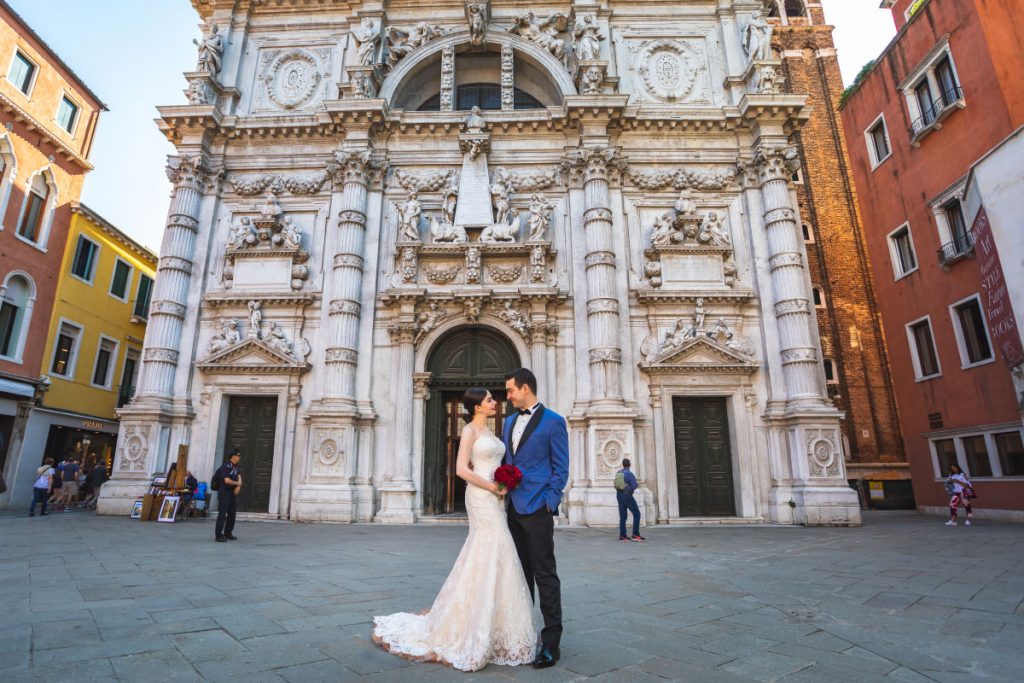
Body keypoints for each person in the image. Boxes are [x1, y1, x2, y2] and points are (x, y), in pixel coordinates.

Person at [372, 388, 536, 671]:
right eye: (488, 400)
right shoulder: (471, 430)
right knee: (492, 543)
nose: (494, 402)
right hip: (483, 495)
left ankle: (499, 625)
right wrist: (492, 487)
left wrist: (505, 484)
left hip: (496, 496)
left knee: (494, 549)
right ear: (476, 407)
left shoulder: (492, 432)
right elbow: (461, 469)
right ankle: (477, 625)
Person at [503, 367, 569, 668]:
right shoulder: (507, 422)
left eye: (510, 390)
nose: (508, 395)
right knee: (519, 575)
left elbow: (561, 467)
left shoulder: (554, 422)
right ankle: (524, 634)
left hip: (538, 510)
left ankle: (551, 642)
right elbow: (509, 461)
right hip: (512, 510)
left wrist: (549, 502)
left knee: (545, 575)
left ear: (525, 388)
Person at [214, 449, 242, 542]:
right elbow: (227, 480)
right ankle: (218, 535)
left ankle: (228, 533)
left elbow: (239, 476)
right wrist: (237, 483)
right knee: (222, 514)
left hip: (231, 493)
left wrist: (239, 485)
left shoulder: (236, 467)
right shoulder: (226, 466)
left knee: (232, 514)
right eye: (238, 455)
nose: (239, 457)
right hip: (224, 492)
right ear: (233, 456)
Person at [615, 459, 645, 542]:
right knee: (637, 514)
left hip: (619, 495)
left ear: (623, 465)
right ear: (629, 465)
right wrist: (631, 488)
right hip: (627, 495)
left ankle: (622, 535)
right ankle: (635, 534)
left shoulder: (619, 473)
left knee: (623, 516)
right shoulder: (629, 474)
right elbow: (634, 485)